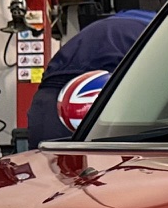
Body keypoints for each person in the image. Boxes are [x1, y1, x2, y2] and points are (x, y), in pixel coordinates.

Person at [23, 8, 153, 144]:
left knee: (48, 155)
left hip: (50, 94)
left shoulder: (120, 22)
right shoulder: (160, 30)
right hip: (102, 90)